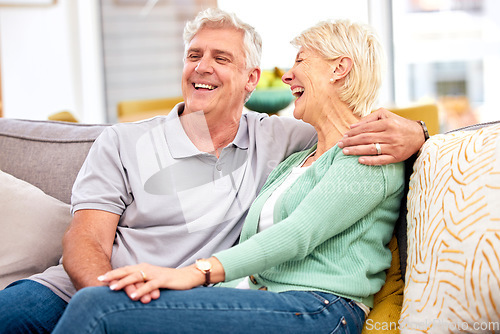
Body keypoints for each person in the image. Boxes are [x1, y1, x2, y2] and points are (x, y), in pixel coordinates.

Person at [0, 8, 423, 334]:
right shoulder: (122, 141)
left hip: (172, 294)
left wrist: (419, 132)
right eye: (193, 56)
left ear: (250, 79)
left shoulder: (283, 142)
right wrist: (115, 298)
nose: (202, 67)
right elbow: (85, 237)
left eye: (220, 58)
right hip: (90, 285)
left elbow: (309, 213)